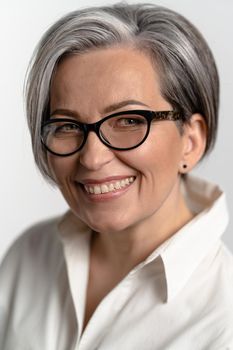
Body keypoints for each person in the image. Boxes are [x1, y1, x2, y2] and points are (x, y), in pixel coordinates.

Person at [0, 2, 232, 349]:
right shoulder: (28, 255)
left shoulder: (223, 319)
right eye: (67, 125)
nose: (92, 158)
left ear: (191, 141)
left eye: (128, 121)